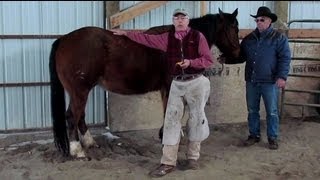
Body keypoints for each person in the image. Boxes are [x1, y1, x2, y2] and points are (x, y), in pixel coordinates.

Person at [111, 8, 214, 177]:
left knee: (197, 119)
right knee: (171, 120)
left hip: (197, 82)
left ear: (188, 21)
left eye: (183, 18)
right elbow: (145, 38)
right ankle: (168, 162)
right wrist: (125, 33)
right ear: (173, 21)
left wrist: (191, 62)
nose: (180, 21)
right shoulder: (167, 38)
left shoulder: (198, 37)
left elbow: (208, 60)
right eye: (177, 18)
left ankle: (193, 158)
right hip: (177, 84)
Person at [220, 6, 291, 150]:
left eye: (262, 20)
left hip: (270, 81)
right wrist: (226, 59)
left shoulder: (279, 38)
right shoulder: (249, 39)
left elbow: (285, 58)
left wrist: (282, 77)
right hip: (252, 80)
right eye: (257, 20)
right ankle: (254, 135)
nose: (258, 22)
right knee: (252, 110)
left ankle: (272, 137)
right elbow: (241, 57)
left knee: (272, 111)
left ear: (269, 21)